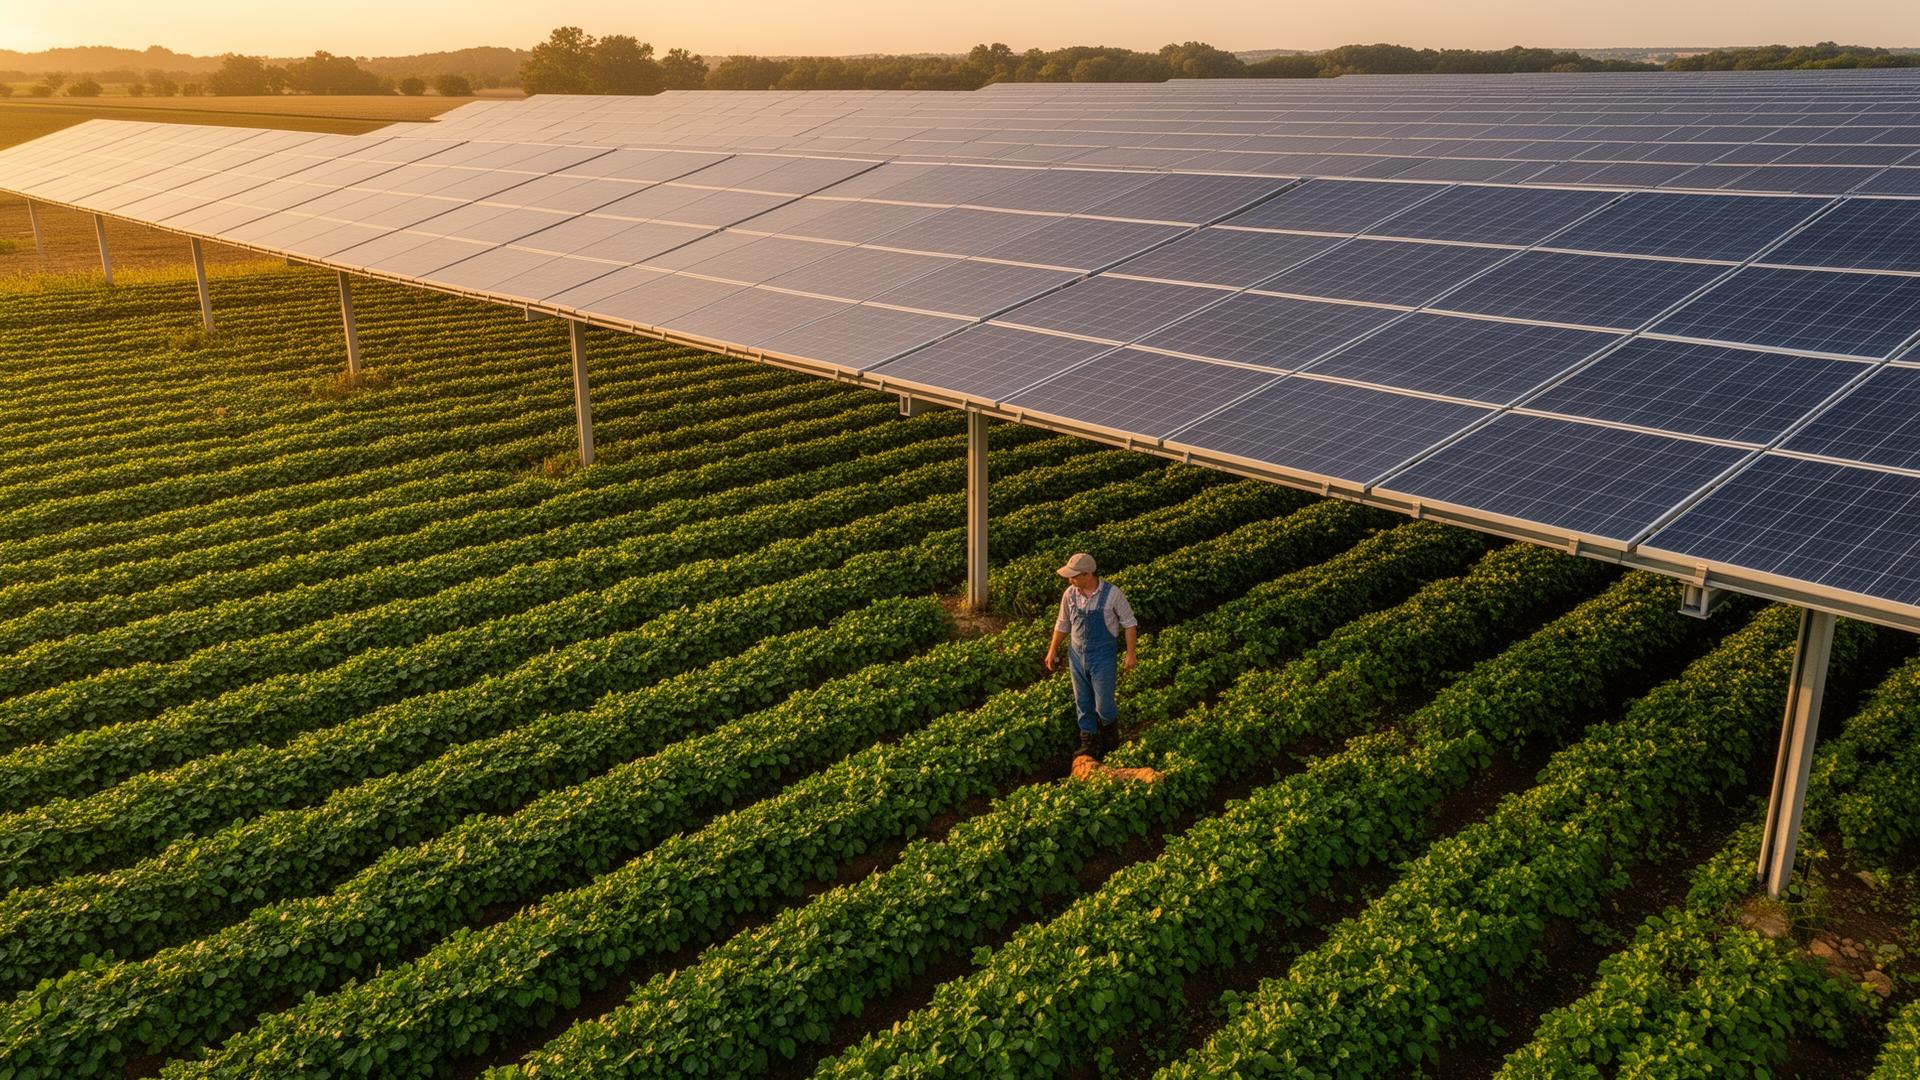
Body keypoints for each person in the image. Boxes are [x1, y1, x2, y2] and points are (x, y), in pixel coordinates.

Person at [1043, 552, 1138, 761]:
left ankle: (1111, 744)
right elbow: (1063, 623)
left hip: (1103, 656)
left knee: (1103, 705)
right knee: (1083, 701)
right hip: (1076, 655)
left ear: (1088, 574)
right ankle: (1088, 743)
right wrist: (1053, 650)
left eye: (1074, 576)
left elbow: (1129, 624)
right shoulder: (1070, 594)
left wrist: (1131, 655)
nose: (1070, 580)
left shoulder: (1113, 594)